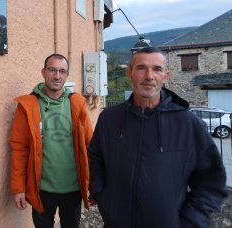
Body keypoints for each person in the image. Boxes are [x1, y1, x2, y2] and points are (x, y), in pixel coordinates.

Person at [88, 47, 227, 227]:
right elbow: (96, 157)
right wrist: (101, 193)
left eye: (157, 69)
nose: (149, 76)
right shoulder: (109, 118)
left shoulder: (188, 124)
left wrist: (191, 220)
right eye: (141, 68)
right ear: (129, 73)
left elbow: (212, 181)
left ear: (166, 76)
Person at [10, 53, 93, 228]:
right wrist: (18, 188)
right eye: (52, 70)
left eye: (62, 71)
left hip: (73, 188)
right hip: (42, 190)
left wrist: (94, 185)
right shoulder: (28, 106)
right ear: (43, 72)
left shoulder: (77, 104)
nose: (57, 76)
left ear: (67, 75)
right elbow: (20, 149)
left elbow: (90, 146)